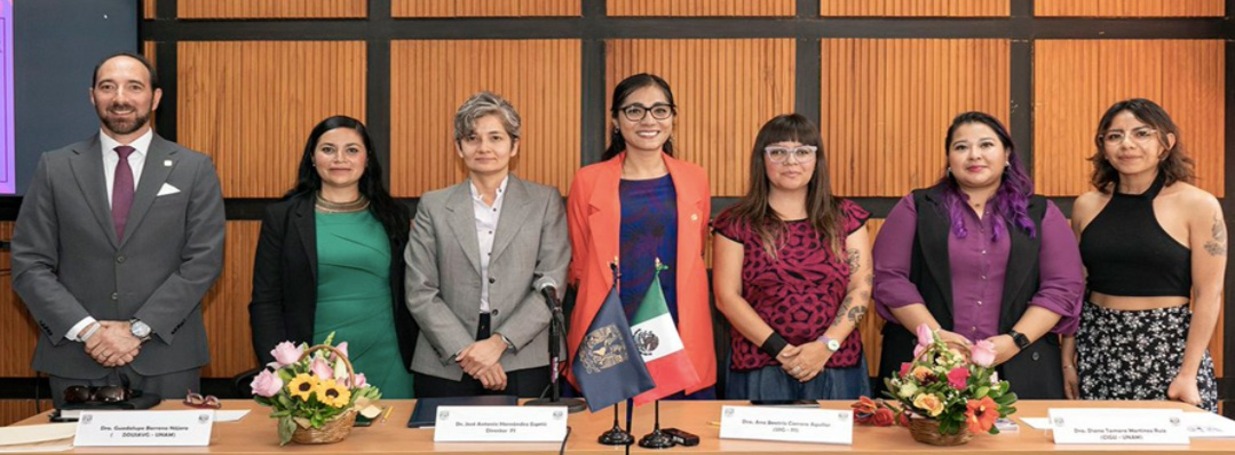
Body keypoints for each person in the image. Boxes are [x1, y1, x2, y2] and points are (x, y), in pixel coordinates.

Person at [11, 52, 225, 406]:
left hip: (166, 359)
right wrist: (90, 331)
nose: (120, 98)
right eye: (107, 87)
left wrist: (138, 329)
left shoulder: (193, 168)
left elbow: (203, 262)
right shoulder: (56, 167)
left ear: (155, 98)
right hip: (77, 357)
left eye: (134, 87)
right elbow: (29, 264)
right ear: (92, 95)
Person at [872, 111, 1083, 399]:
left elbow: (1062, 286)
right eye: (961, 147)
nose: (974, 155)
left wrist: (1014, 341)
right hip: (927, 367)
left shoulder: (1041, 212)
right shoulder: (918, 206)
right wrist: (936, 338)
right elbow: (889, 278)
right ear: (949, 158)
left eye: (986, 145)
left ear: (1006, 153)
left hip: (1021, 365)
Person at [405, 92, 569, 398]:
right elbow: (420, 289)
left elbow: (552, 283)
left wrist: (499, 343)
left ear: (514, 145)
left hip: (524, 355)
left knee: (524, 447)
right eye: (472, 138)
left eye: (495, 137)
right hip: (446, 358)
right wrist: (467, 352)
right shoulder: (434, 205)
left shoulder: (544, 201)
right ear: (459, 147)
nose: (484, 147)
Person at [1064, 98, 1223, 412]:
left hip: (1168, 348)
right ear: (1103, 146)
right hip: (1098, 345)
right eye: (1114, 136)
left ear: (1167, 143)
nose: (1127, 144)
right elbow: (1075, 287)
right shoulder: (1087, 205)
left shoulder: (1199, 205)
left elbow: (1209, 294)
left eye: (1142, 134)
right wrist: (1068, 357)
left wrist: (1188, 373)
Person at [566, 73, 715, 398]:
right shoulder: (588, 180)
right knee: (604, 438)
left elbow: (695, 249)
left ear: (673, 117)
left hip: (677, 323)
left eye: (660, 110)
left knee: (679, 435)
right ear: (616, 121)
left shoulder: (695, 178)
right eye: (635, 110)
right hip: (610, 322)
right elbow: (579, 263)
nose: (649, 120)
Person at [248, 116, 416, 397]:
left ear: (367, 158)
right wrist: (282, 370)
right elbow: (266, 301)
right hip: (312, 363)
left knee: (391, 438)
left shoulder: (393, 215)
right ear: (312, 158)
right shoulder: (284, 218)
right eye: (328, 149)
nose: (340, 158)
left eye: (352, 150)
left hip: (389, 357)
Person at [712, 114, 872, 400]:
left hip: (835, 363)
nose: (791, 161)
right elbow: (727, 296)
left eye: (802, 151)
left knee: (837, 447)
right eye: (778, 152)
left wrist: (825, 346)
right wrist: (783, 352)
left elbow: (860, 287)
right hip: (759, 364)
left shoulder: (845, 217)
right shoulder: (736, 222)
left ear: (817, 159)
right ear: (761, 160)